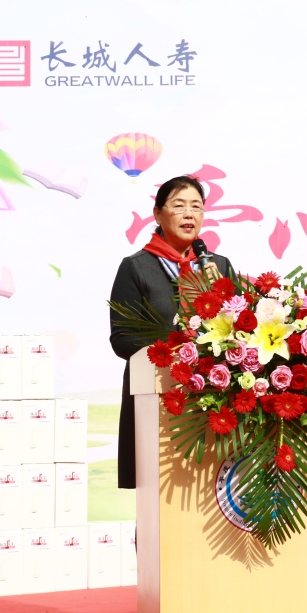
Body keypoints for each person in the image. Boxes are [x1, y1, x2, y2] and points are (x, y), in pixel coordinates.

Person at [109, 175, 235, 489]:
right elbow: (122, 338)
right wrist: (178, 348)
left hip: (213, 398)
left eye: (197, 207)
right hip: (157, 397)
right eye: (179, 206)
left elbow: (241, 326)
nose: (189, 214)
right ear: (157, 214)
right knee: (158, 494)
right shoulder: (137, 267)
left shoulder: (218, 266)